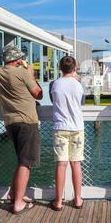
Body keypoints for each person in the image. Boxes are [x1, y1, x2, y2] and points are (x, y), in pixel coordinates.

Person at [0, 45, 43, 215]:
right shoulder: (22, 73)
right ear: (18, 59)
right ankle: (18, 203)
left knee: (21, 160)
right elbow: (38, 94)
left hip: (10, 122)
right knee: (26, 163)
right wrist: (31, 75)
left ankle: (14, 194)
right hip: (27, 120)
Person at [50, 56, 85, 211]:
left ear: (60, 67)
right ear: (75, 67)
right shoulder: (79, 85)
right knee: (76, 163)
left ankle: (58, 201)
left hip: (60, 127)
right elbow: (82, 102)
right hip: (76, 127)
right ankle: (77, 199)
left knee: (61, 164)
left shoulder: (54, 84)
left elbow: (53, 101)